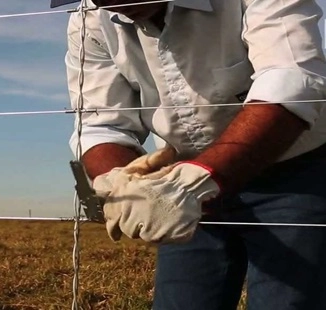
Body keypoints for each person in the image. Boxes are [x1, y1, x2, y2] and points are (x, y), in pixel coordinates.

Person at [50, 0, 326, 309]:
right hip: (175, 185)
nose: (114, 3)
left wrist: (196, 181)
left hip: (295, 173)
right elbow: (100, 122)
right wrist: (121, 182)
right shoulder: (91, 19)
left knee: (289, 302)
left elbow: (293, 81)